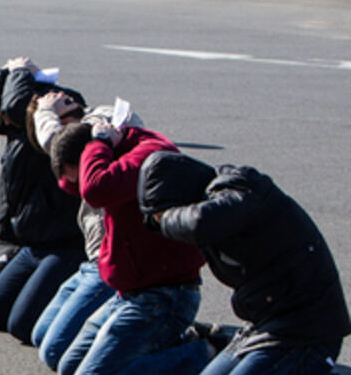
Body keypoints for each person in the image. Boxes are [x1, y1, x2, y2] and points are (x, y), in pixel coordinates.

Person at [138, 152, 351, 375]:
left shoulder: (241, 186)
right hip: (264, 325)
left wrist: (167, 219)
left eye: (164, 214)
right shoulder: (211, 205)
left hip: (307, 331)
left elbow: (200, 222)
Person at [49, 122, 209, 375]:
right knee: (66, 362)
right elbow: (78, 186)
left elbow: (94, 189)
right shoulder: (113, 163)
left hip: (165, 296)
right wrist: (95, 151)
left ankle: (204, 353)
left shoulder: (148, 155)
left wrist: (98, 144)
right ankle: (172, 344)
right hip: (130, 292)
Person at [0, 57, 85, 345]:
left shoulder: (59, 129)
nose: (2, 118)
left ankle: (69, 302)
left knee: (19, 324)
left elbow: (15, 106)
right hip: (22, 236)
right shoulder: (18, 127)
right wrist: (7, 71)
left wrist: (21, 73)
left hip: (58, 244)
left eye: (6, 111)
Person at [29, 93, 142, 370]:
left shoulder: (106, 134)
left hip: (111, 266)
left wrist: (46, 110)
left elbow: (54, 139)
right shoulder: (78, 148)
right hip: (92, 262)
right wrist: (47, 111)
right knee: (40, 335)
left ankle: (188, 344)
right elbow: (54, 143)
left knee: (58, 355)